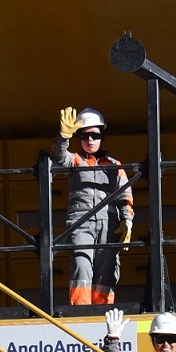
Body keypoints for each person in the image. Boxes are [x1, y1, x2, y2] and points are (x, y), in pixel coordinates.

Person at [54, 107, 135, 307]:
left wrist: (127, 221)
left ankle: (103, 312)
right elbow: (58, 157)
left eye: (95, 135)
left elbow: (125, 194)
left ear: (102, 137)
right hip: (80, 224)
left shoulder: (115, 165)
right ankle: (80, 313)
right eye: (84, 136)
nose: (90, 140)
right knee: (82, 265)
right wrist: (64, 137)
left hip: (109, 224)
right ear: (79, 138)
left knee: (105, 272)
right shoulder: (74, 160)